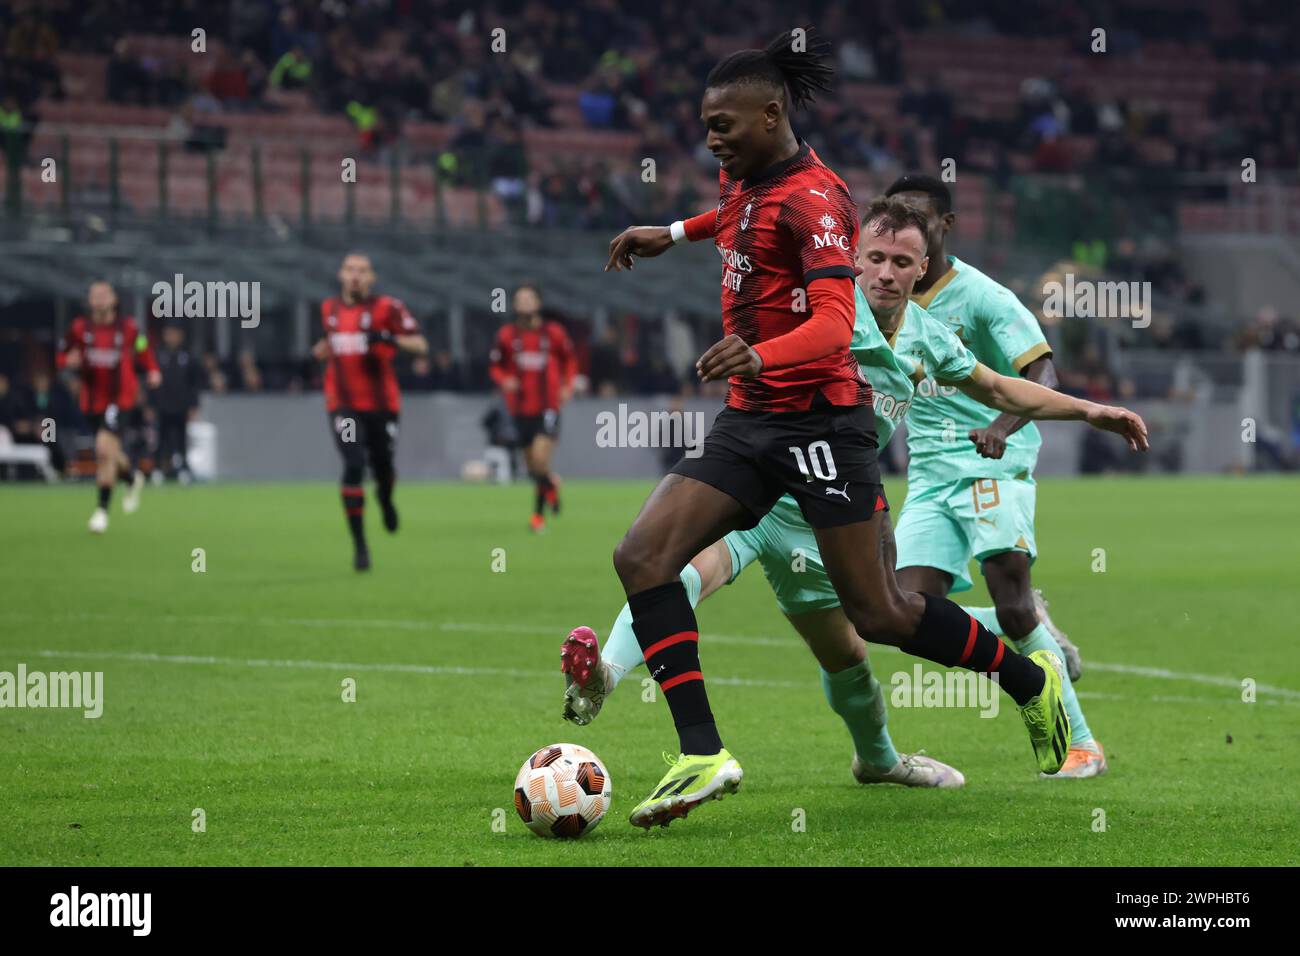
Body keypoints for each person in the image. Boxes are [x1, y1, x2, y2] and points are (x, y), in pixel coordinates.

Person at [598, 32, 1093, 829]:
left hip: (823, 426)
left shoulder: (818, 202)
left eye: (723, 123)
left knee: (883, 616)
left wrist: (757, 352)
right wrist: (675, 233)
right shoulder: (744, 174)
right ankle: (701, 753)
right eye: (705, 122)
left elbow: (834, 326)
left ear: (771, 114)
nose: (710, 136)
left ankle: (1027, 682)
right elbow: (731, 211)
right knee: (643, 556)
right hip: (753, 420)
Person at [565, 197, 1148, 793]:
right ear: (851, 256)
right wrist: (673, 232)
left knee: (855, 646)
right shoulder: (819, 305)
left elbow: (1005, 389)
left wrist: (1092, 410)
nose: (886, 272)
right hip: (757, 491)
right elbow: (754, 214)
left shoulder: (928, 340)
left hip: (834, 514)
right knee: (679, 568)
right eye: (874, 257)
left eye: (902, 261)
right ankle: (606, 675)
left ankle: (883, 759)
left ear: (923, 268)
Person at [885, 173, 1105, 777]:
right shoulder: (886, 294)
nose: (908, 230)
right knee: (903, 611)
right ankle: (1031, 620)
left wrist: (1001, 429)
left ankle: (1083, 744)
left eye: (920, 219)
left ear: (944, 227)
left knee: (1004, 597)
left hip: (993, 466)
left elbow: (1045, 376)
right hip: (929, 476)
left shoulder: (984, 298)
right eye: (896, 217)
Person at [312, 253, 427, 570]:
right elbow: (330, 342)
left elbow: (420, 344)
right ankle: (360, 546)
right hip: (343, 404)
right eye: (350, 269)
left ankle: (386, 499)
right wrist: (321, 351)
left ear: (371, 277)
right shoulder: (328, 309)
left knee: (383, 468)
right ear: (340, 274)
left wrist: (391, 338)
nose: (355, 276)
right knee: (353, 463)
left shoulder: (388, 307)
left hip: (382, 406)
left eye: (362, 271)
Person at [56, 280, 160, 533]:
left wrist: (153, 370)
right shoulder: (79, 329)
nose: (100, 299)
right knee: (111, 453)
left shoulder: (128, 328)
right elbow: (61, 355)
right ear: (89, 300)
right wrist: (67, 361)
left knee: (103, 450)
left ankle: (101, 512)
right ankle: (132, 476)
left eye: (105, 294)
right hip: (91, 400)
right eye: (95, 295)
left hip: (121, 398)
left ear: (113, 299)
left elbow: (142, 349)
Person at [488, 284, 577, 533]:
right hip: (520, 408)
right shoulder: (506, 335)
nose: (525, 303)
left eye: (529, 298)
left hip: (548, 405)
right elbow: (495, 366)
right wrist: (504, 380)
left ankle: (537, 517)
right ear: (515, 305)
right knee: (533, 468)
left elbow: (570, 360)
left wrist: (568, 385)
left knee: (539, 458)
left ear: (538, 303)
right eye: (520, 299)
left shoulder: (554, 333)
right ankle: (551, 484)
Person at [152, 322, 203, 482]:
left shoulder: (188, 356)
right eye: (169, 333)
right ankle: (159, 469)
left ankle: (182, 469)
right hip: (162, 405)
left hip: (181, 406)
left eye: (175, 334)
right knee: (161, 439)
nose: (172, 337)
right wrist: (150, 404)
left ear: (181, 336)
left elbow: (195, 383)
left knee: (181, 440)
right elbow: (151, 383)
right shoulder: (158, 355)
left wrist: (194, 405)